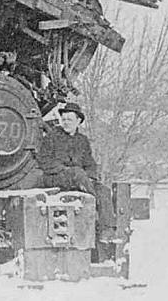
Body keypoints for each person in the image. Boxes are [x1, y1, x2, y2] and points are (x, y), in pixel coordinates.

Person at [38, 102, 117, 242]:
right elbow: (43, 160)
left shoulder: (82, 140)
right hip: (56, 177)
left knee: (104, 190)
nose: (66, 122)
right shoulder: (51, 137)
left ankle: (107, 229)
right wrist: (65, 170)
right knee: (77, 173)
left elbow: (89, 163)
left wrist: (91, 177)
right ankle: (94, 202)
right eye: (64, 119)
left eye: (69, 119)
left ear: (78, 121)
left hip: (81, 180)